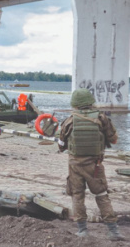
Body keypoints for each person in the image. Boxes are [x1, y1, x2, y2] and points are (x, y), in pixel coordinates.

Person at [59, 88, 125, 241]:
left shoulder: (69, 121)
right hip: (95, 166)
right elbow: (114, 139)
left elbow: (61, 145)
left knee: (77, 196)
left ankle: (82, 231)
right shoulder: (102, 118)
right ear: (90, 101)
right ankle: (113, 232)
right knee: (102, 196)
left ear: (75, 103)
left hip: (75, 166)